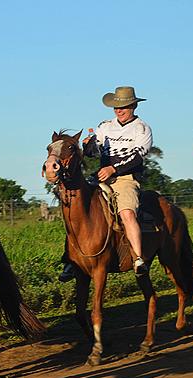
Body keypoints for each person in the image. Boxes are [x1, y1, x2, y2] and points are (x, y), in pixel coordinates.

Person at [60, 86, 152, 281]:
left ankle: (138, 258)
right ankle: (70, 259)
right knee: (76, 211)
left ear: (134, 106)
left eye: (124, 106)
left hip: (125, 179)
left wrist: (114, 169)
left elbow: (137, 157)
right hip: (101, 177)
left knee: (127, 213)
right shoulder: (105, 126)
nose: (119, 110)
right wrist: (88, 145)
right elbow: (94, 152)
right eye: (116, 107)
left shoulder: (142, 128)